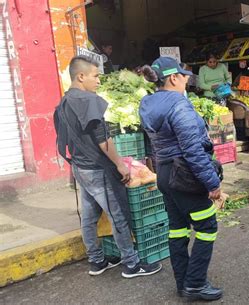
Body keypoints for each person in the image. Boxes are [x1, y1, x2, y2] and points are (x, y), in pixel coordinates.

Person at [53, 56, 162, 278]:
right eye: (95, 76)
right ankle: (131, 264)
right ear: (81, 76)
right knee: (118, 215)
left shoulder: (64, 101)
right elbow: (104, 140)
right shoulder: (88, 101)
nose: (99, 81)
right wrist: (120, 164)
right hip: (97, 169)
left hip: (80, 168)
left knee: (89, 217)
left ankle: (96, 261)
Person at [139, 56, 223, 301]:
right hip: (185, 175)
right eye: (184, 75)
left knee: (177, 229)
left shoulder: (147, 104)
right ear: (173, 77)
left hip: (165, 174)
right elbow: (193, 150)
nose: (187, 80)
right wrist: (212, 184)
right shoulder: (179, 105)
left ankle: (183, 284)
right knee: (207, 227)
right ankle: (195, 283)